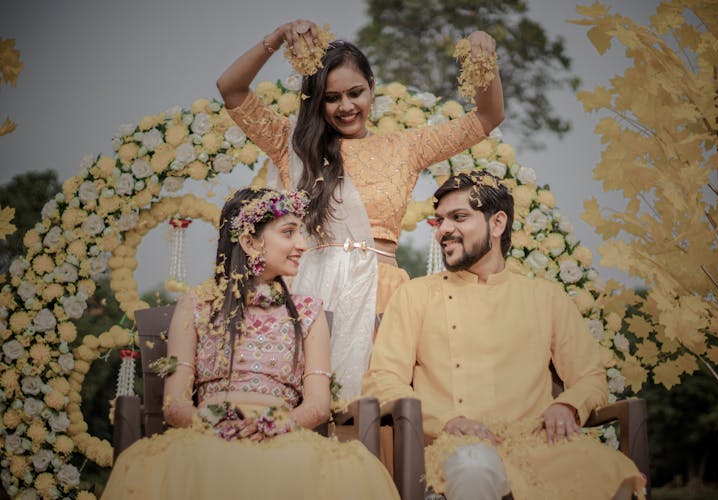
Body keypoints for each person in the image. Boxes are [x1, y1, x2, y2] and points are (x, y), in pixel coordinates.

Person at [216, 20, 504, 400]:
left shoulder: (407, 146)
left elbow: (488, 116)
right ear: (316, 101)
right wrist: (275, 39)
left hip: (382, 295)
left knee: (377, 406)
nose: (346, 106)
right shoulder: (293, 145)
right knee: (308, 401)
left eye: (355, 93)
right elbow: (231, 89)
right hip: (307, 292)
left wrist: (484, 58)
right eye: (332, 98)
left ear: (372, 87)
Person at [362, 172, 646, 499]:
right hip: (458, 448)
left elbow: (591, 377)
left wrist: (568, 405)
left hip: (541, 446)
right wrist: (446, 421)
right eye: (439, 221)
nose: (444, 230)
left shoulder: (546, 298)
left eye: (459, 217)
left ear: (497, 224)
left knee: (614, 473)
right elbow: (382, 379)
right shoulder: (414, 296)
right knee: (475, 467)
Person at [102, 187, 399, 500]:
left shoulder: (309, 312)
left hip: (283, 436)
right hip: (209, 436)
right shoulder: (198, 305)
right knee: (208, 461)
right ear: (248, 242)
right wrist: (216, 423)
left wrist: (273, 424)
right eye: (288, 233)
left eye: (300, 233)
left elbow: (317, 405)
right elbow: (174, 404)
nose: (301, 245)